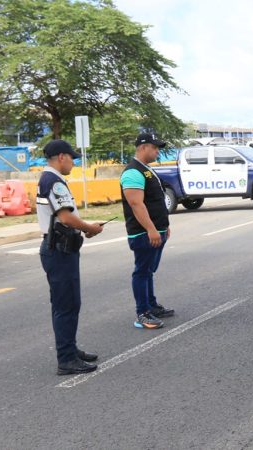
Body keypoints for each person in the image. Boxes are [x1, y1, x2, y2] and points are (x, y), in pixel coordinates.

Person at [37, 140, 104, 375]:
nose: (74, 163)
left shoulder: (52, 179)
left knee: (68, 303)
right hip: (59, 250)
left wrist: (84, 228)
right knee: (66, 305)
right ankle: (66, 359)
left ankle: (70, 350)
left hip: (61, 248)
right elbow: (65, 217)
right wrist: (88, 227)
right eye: (72, 158)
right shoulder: (53, 181)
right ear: (61, 156)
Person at [120, 133, 175, 329]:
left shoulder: (146, 170)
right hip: (143, 233)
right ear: (143, 147)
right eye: (155, 147)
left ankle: (151, 305)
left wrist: (163, 226)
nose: (157, 151)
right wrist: (151, 229)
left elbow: (155, 201)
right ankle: (142, 313)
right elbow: (136, 204)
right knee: (142, 271)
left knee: (149, 271)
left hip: (156, 230)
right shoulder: (133, 172)